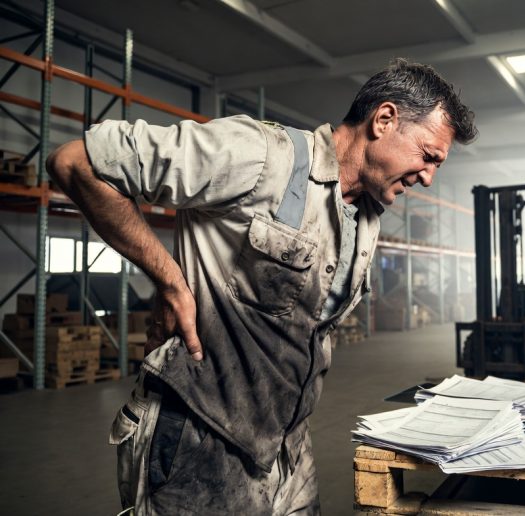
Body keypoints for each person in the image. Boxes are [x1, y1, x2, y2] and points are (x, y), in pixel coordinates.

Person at [47, 58, 476, 515]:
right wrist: (170, 281)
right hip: (199, 434)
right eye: (428, 156)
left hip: (287, 449)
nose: (428, 176)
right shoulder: (260, 154)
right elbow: (75, 163)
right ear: (384, 119)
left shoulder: (366, 213)